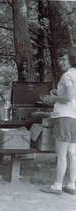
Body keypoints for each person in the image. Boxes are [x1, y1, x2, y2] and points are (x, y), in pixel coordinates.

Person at [40, 47, 76, 195]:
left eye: (64, 59)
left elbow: (68, 98)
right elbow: (71, 95)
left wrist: (53, 99)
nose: (60, 62)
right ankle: (72, 185)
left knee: (61, 154)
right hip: (75, 117)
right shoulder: (74, 74)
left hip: (64, 117)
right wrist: (58, 92)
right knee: (73, 153)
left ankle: (57, 185)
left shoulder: (67, 76)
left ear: (71, 60)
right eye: (60, 59)